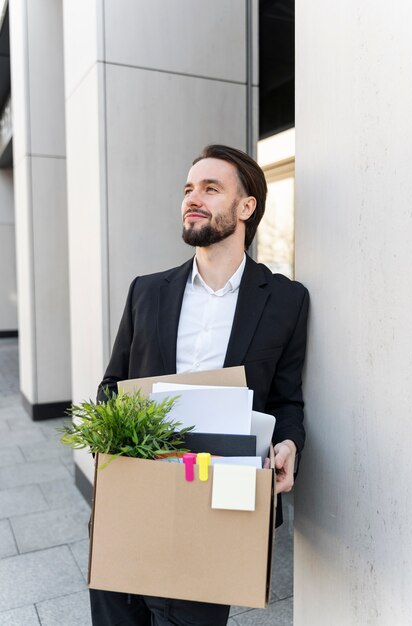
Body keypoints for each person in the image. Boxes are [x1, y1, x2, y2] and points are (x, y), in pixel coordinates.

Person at [90, 144, 309, 626]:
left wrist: (290, 442)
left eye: (211, 188)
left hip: (218, 510)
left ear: (246, 206)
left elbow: (287, 398)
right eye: (189, 188)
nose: (193, 197)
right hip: (130, 506)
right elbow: (111, 385)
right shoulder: (146, 290)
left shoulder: (286, 300)